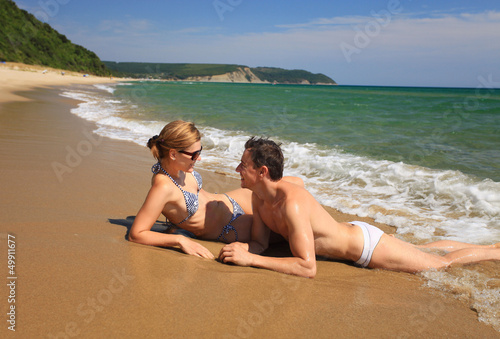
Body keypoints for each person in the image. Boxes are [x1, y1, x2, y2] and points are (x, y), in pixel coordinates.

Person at [218, 137, 500, 278]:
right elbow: (260, 243)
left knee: (441, 264)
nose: (237, 169)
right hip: (356, 234)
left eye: (243, 166)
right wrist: (245, 249)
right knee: (424, 248)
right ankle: (494, 248)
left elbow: (307, 267)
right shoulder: (259, 196)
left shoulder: (292, 204)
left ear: (263, 171)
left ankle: (494, 253)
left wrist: (251, 260)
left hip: (367, 247)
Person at [128, 121, 302, 259]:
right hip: (231, 227)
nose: (199, 158)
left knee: (296, 183)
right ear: (173, 154)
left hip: (230, 200)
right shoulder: (163, 185)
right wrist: (180, 239)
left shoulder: (179, 168)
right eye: (194, 155)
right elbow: (137, 234)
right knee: (290, 230)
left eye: (199, 151)